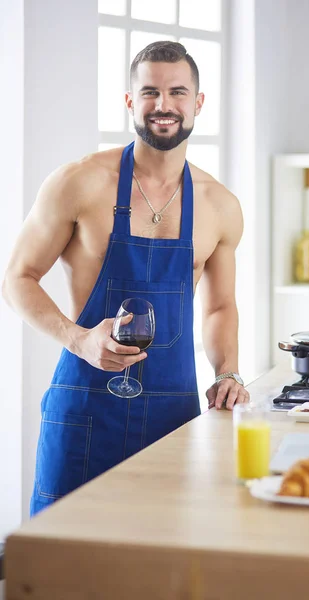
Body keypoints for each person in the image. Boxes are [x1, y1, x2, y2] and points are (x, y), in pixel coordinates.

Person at [2, 41, 249, 516]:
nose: (164, 105)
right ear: (130, 101)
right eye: (150, 92)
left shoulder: (220, 205)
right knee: (62, 563)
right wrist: (78, 340)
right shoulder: (78, 182)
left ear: (198, 103)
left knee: (157, 565)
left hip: (173, 417)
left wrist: (228, 372)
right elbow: (17, 278)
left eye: (178, 92)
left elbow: (219, 306)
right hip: (84, 411)